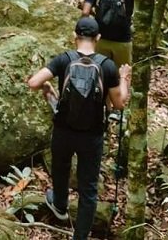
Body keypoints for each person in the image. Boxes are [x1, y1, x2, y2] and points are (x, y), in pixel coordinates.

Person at [27, 17, 131, 240]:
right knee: (88, 188)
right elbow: (119, 103)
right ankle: (80, 236)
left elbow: (34, 82)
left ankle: (61, 205)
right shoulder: (107, 66)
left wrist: (47, 87)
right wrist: (124, 78)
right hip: (92, 136)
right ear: (98, 38)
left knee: (61, 168)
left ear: (75, 37)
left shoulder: (64, 60)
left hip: (63, 130)